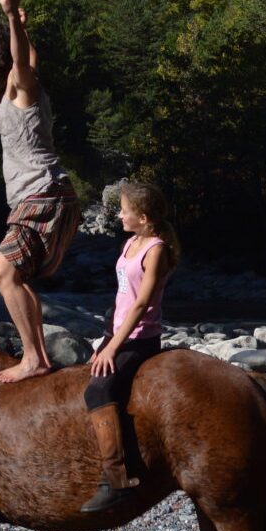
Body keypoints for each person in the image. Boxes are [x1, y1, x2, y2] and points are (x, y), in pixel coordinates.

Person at [0, 0, 80, 384]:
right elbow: (31, 56)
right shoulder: (20, 86)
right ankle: (37, 355)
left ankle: (34, 358)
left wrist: (12, 15)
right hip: (44, 193)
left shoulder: (22, 85)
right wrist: (21, 26)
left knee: (3, 275)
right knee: (16, 277)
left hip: (42, 191)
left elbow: (22, 59)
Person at [79, 180, 178, 513]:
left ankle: (116, 478)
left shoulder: (156, 248)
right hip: (119, 332)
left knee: (98, 391)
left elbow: (140, 305)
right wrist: (103, 341)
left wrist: (113, 349)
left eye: (125, 211)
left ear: (145, 217)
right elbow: (121, 298)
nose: (119, 216)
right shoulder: (130, 244)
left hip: (140, 337)